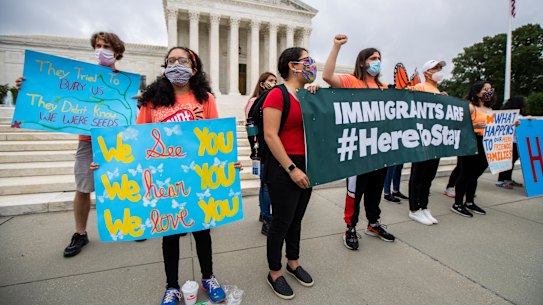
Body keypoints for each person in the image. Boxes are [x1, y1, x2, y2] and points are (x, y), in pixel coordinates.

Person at [135, 46, 241, 304]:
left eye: (182, 60)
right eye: (170, 60)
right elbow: (136, 140)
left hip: (197, 179)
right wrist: (107, 163)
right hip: (165, 181)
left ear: (194, 68)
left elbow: (215, 138)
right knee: (169, 234)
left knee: (202, 231)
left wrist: (227, 162)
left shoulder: (205, 99)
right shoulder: (152, 101)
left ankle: (208, 277)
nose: (175, 64)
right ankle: (171, 286)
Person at [15, 32, 129, 257]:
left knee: (123, 184)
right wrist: (28, 88)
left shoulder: (126, 81)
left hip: (116, 140)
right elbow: (51, 93)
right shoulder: (81, 77)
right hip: (87, 140)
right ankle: (80, 233)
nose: (101, 49)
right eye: (97, 45)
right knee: (83, 186)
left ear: (117, 52)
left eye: (106, 46)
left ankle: (128, 226)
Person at [323, 34, 395, 251]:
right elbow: (326, 76)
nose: (377, 61)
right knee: (355, 191)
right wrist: (336, 46)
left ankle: (373, 224)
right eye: (373, 58)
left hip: (381, 149)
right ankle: (350, 227)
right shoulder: (351, 82)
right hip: (357, 150)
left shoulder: (384, 88)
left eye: (379, 58)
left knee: (375, 191)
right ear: (363, 62)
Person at [263, 47, 318, 299]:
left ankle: (293, 262)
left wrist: (317, 95)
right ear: (292, 65)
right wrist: (292, 169)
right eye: (307, 61)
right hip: (284, 165)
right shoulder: (277, 94)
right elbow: (270, 135)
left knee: (296, 218)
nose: (311, 64)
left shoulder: (307, 95)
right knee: (281, 221)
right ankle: (274, 271)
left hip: (306, 163)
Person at [407, 60, 447, 226]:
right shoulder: (420, 88)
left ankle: (424, 206)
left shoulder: (437, 90)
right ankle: (414, 209)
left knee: (429, 175)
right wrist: (409, 91)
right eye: (435, 68)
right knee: (418, 175)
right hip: (422, 139)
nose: (439, 70)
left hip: (435, 139)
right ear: (426, 72)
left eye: (440, 68)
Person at [451, 81, 494, 217]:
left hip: (484, 142)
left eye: (490, 89)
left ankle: (469, 201)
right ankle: (458, 203)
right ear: (477, 92)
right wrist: (475, 126)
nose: (488, 92)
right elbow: (458, 125)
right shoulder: (469, 107)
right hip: (470, 141)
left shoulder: (490, 109)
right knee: (465, 172)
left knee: (475, 173)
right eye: (485, 89)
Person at [244, 72, 278, 235]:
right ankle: (266, 217)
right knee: (265, 184)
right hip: (262, 149)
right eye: (271, 81)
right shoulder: (254, 102)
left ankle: (264, 212)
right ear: (262, 83)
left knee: (266, 183)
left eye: (275, 81)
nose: (274, 83)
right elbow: (251, 126)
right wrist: (255, 150)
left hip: (274, 147)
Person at [496, 96, 529, 189]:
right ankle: (502, 180)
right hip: (510, 142)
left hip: (514, 142)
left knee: (511, 161)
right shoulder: (511, 115)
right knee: (508, 161)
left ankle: (507, 179)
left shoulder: (513, 114)